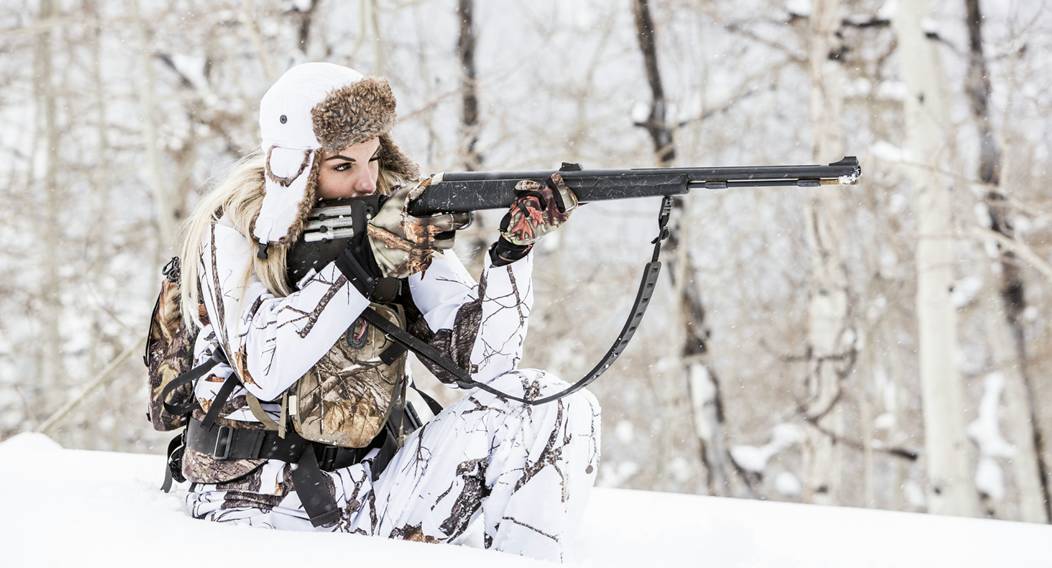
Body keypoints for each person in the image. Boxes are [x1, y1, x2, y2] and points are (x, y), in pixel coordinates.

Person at [173, 62, 601, 563]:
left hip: (370, 494)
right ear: (297, 166)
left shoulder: (392, 220)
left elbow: (486, 370)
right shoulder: (234, 228)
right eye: (342, 166)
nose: (366, 182)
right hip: (252, 515)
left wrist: (511, 255)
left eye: (373, 159)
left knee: (549, 403)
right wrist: (365, 262)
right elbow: (263, 367)